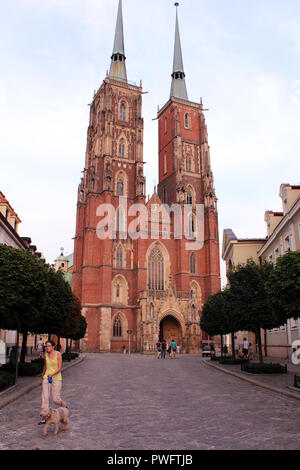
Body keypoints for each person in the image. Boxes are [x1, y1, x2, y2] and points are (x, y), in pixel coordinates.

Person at [39, 340, 66, 425]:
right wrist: (43, 374)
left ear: (53, 346)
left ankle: (63, 404)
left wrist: (52, 374)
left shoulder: (58, 354)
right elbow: (45, 366)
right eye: (46, 346)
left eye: (49, 346)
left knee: (55, 399)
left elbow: (59, 367)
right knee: (45, 397)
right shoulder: (46, 355)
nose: (47, 348)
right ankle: (44, 416)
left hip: (56, 378)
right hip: (47, 378)